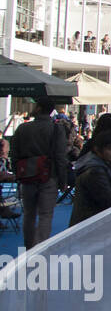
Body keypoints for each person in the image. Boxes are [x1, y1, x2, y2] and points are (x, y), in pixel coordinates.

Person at [11, 97, 72, 250]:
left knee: (29, 214)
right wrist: (63, 180)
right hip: (48, 176)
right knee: (45, 214)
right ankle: (40, 249)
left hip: (27, 176)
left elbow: (14, 154)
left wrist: (17, 173)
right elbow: (60, 156)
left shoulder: (22, 128)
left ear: (38, 108)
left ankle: (28, 247)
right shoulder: (56, 129)